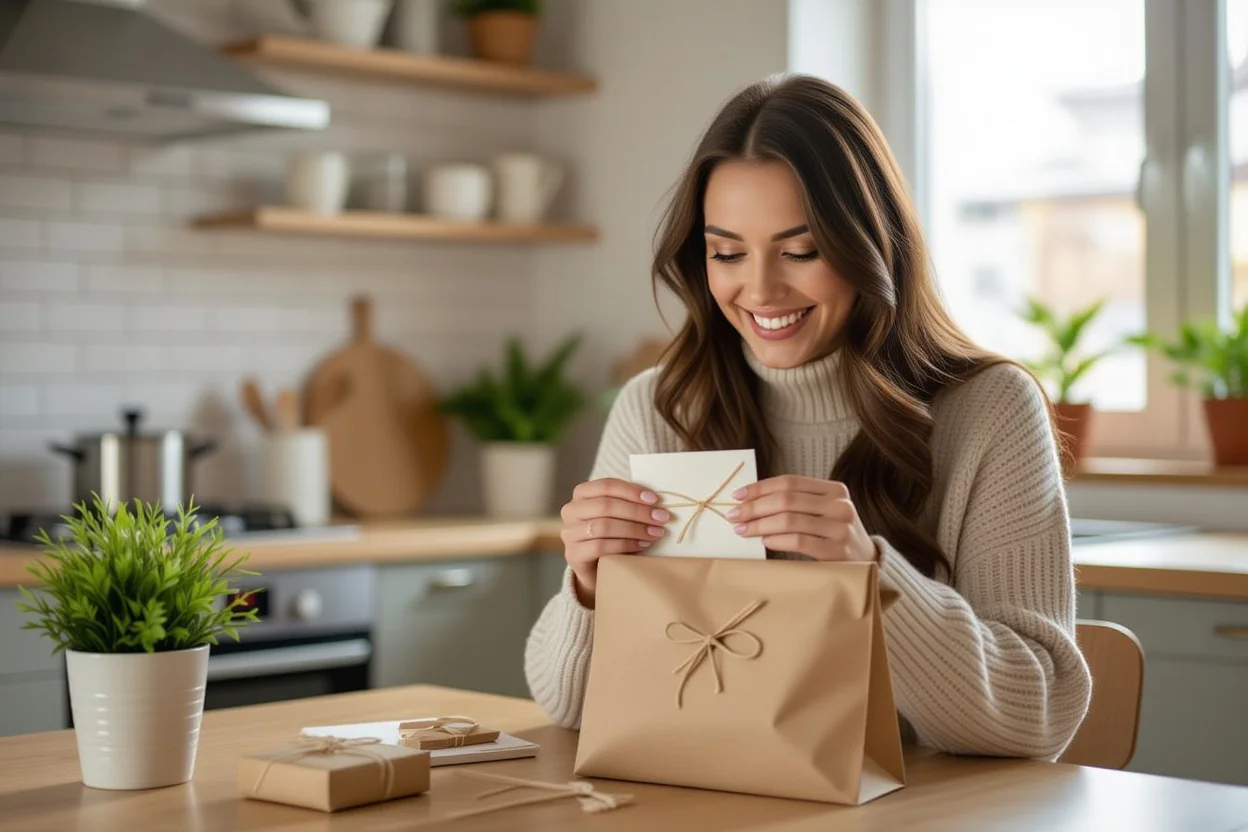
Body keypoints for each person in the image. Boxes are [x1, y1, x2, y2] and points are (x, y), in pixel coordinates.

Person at [524, 75, 1092, 759]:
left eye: (801, 251)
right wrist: (590, 589)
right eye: (727, 253)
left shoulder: (990, 409)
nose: (759, 289)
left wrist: (872, 578)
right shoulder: (661, 406)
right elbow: (570, 707)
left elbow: (1041, 717)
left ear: (869, 246)